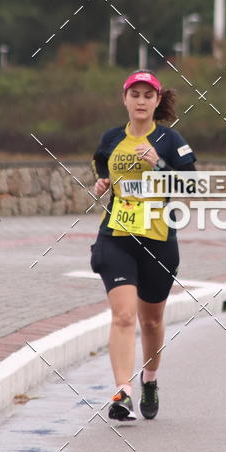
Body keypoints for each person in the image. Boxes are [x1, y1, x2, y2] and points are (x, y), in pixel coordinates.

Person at [90, 70, 197, 421]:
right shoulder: (110, 139)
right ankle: (123, 392)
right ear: (124, 99)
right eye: (134, 94)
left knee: (151, 322)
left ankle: (149, 379)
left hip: (158, 240)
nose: (140, 101)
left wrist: (159, 165)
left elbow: (191, 187)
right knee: (123, 316)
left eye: (147, 96)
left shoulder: (169, 140)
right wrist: (102, 183)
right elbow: (102, 169)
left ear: (156, 101)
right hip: (116, 236)